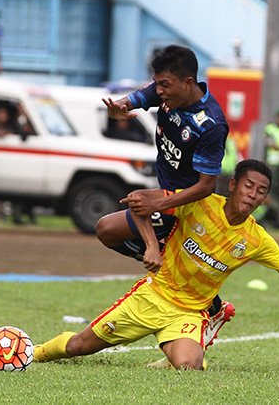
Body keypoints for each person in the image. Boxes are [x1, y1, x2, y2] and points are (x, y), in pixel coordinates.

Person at [34, 160, 279, 370]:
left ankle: (187, 342)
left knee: (189, 367)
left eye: (261, 191)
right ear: (233, 185)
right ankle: (32, 352)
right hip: (153, 297)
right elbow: (142, 204)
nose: (253, 194)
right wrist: (151, 246)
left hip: (189, 312)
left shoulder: (256, 238)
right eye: (248, 186)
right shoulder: (199, 204)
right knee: (78, 347)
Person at [97, 45, 231, 347]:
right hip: (166, 197)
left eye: (164, 85)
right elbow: (138, 98)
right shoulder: (166, 91)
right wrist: (122, 105)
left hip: (189, 204)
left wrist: (162, 201)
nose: (158, 91)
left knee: (111, 225)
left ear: (188, 82)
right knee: (108, 230)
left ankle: (206, 305)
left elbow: (207, 186)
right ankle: (209, 302)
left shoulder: (210, 124)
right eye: (156, 83)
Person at [216, 133, 241, 197]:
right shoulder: (216, 140)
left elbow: (236, 155)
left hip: (229, 173)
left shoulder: (231, 141)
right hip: (219, 172)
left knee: (227, 193)